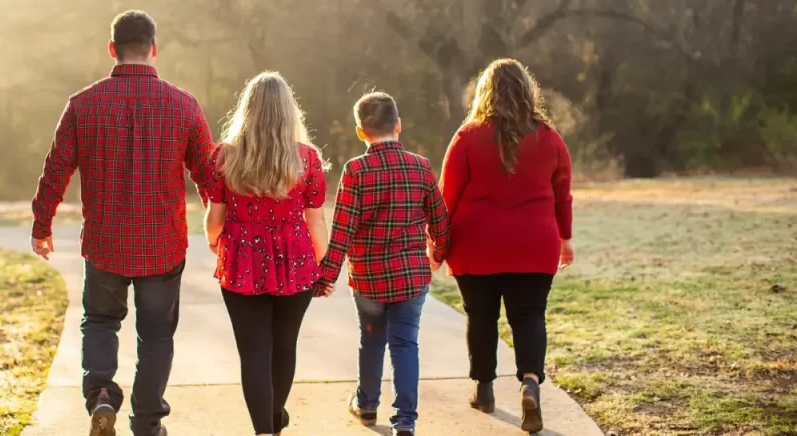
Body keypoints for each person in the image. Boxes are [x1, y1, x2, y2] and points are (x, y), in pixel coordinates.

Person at [30, 11, 215, 436]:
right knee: (156, 336)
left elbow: (56, 169)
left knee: (100, 321)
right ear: (154, 48)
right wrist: (218, 228)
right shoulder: (184, 105)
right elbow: (208, 174)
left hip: (104, 244)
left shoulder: (82, 104)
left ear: (112, 49)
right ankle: (147, 424)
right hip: (162, 245)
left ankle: (101, 395)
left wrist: (42, 224)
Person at [435, 58, 574, 434]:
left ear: (485, 92)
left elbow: (447, 198)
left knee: (481, 316)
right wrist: (565, 239)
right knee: (529, 317)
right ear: (528, 92)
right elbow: (562, 195)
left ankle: (484, 390)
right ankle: (530, 384)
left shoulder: (467, 136)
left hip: (475, 245)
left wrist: (438, 245)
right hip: (534, 245)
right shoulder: (550, 138)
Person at [201, 72, 330, 436]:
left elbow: (214, 219)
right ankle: (274, 418)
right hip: (296, 260)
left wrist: (215, 242)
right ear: (289, 112)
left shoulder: (225, 156)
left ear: (248, 109)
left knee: (254, 352)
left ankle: (264, 430)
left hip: (241, 260)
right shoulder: (306, 158)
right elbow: (316, 221)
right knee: (284, 346)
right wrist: (320, 263)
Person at [314, 91, 450, 436]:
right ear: (398, 125)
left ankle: (367, 405)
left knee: (372, 341)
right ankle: (405, 420)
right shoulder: (420, 166)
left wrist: (326, 277)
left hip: (368, 280)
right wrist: (438, 252)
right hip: (411, 277)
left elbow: (342, 231)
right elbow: (440, 221)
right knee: (405, 344)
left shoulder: (356, 170)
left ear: (361, 132)